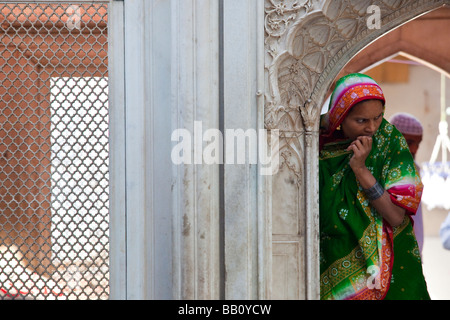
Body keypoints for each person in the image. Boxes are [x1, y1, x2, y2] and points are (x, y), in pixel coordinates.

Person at [319, 73, 430, 300]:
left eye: (378, 117)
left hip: (379, 269)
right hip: (326, 259)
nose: (371, 128)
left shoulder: (390, 145)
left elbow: (396, 216)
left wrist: (361, 170)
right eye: (361, 121)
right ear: (340, 117)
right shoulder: (313, 141)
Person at [389, 113, 424, 255]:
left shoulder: (414, 169)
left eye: (417, 143)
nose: (415, 149)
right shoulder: (381, 169)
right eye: (409, 142)